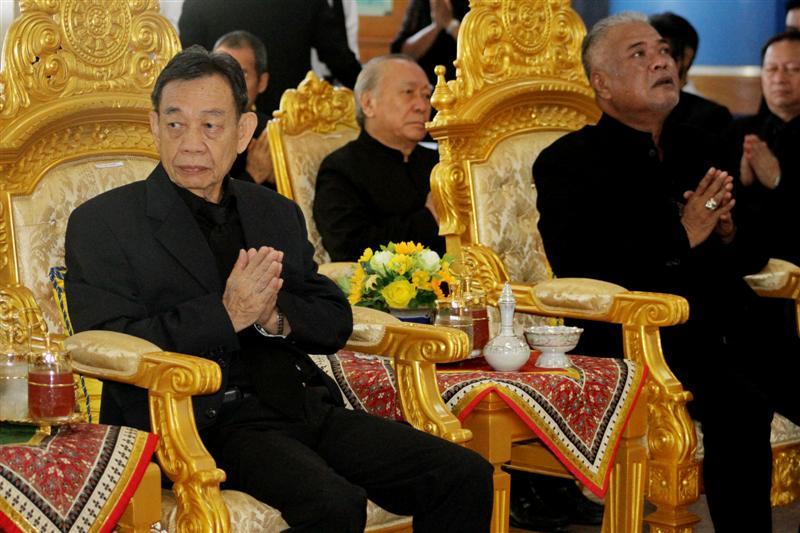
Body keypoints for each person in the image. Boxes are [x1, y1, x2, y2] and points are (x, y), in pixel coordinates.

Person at [64, 46, 493, 532]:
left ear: (244, 131)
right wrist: (226, 315)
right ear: (154, 126)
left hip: (298, 403)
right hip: (196, 420)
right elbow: (108, 340)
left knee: (463, 475)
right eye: (175, 124)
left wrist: (275, 317)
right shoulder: (105, 223)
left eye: (211, 125)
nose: (191, 144)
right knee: (334, 503)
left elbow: (332, 318)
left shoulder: (272, 211)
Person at [533, 13, 800, 532]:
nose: (661, 61)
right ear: (602, 83)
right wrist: (684, 233)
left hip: (730, 319)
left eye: (662, 51)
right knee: (740, 406)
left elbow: (752, 254)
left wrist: (727, 233)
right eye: (639, 54)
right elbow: (582, 270)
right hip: (646, 335)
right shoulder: (568, 162)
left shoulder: (703, 144)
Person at [313, 54, 445, 261]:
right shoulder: (341, 169)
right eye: (408, 93)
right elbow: (349, 248)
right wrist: (430, 217)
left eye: (426, 95)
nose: (422, 106)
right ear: (368, 104)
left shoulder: (441, 162)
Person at [178, 0, 361, 117]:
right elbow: (339, 59)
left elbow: (188, 64)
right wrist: (367, 91)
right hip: (289, 120)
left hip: (220, 119)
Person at [728, 30, 800, 266]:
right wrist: (742, 183)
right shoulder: (739, 131)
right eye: (771, 69)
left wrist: (779, 181)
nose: (779, 78)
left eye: (793, 69)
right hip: (745, 262)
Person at [648, 12, 732, 136]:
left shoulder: (712, 117)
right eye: (640, 53)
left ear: (686, 56)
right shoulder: (632, 107)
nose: (652, 62)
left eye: (663, 51)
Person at [213, 30, 274, 188]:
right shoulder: (190, 129)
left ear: (262, 82)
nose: (231, 83)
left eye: (242, 74)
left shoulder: (272, 136)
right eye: (222, 71)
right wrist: (253, 175)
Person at [390, 0, 469, 85]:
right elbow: (402, 53)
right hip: (424, 85)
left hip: (463, 83)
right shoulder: (420, 3)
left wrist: (450, 24)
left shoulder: (474, 4)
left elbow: (477, 47)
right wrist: (435, 27)